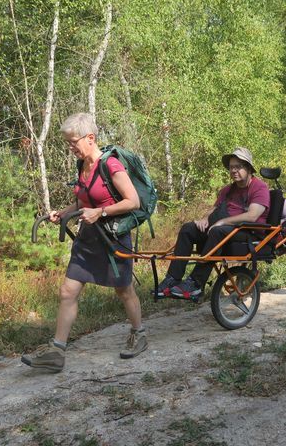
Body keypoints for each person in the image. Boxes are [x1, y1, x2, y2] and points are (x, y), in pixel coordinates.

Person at [21, 113, 146, 373]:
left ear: (90, 138)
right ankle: (57, 351)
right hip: (88, 238)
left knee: (124, 290)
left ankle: (138, 333)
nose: (70, 148)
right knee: (68, 291)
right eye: (68, 143)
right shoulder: (82, 167)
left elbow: (133, 201)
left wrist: (101, 212)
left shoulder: (111, 165)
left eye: (73, 142)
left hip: (112, 238)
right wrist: (64, 213)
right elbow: (84, 200)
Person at [156, 147, 270, 300]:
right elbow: (214, 209)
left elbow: (252, 215)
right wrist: (204, 219)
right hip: (224, 230)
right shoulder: (227, 190)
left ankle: (195, 284)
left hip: (248, 231)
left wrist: (222, 222)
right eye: (231, 167)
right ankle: (173, 278)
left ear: (248, 168)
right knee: (188, 229)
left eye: (238, 167)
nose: (234, 170)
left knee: (217, 231)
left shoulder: (259, 187)